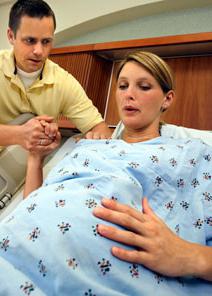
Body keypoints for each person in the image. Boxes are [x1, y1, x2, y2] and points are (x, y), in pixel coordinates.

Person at [0, 51, 211, 296]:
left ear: (167, 99)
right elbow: (35, 205)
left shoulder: (193, 155)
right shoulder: (89, 146)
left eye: (143, 86)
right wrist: (35, 159)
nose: (129, 94)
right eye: (122, 86)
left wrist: (190, 255)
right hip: (14, 246)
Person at [0, 0, 111, 154]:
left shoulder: (64, 82)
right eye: (30, 40)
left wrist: (95, 140)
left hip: (26, 170)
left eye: (46, 42)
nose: (39, 51)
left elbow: (100, 128)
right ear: (11, 36)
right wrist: (19, 134)